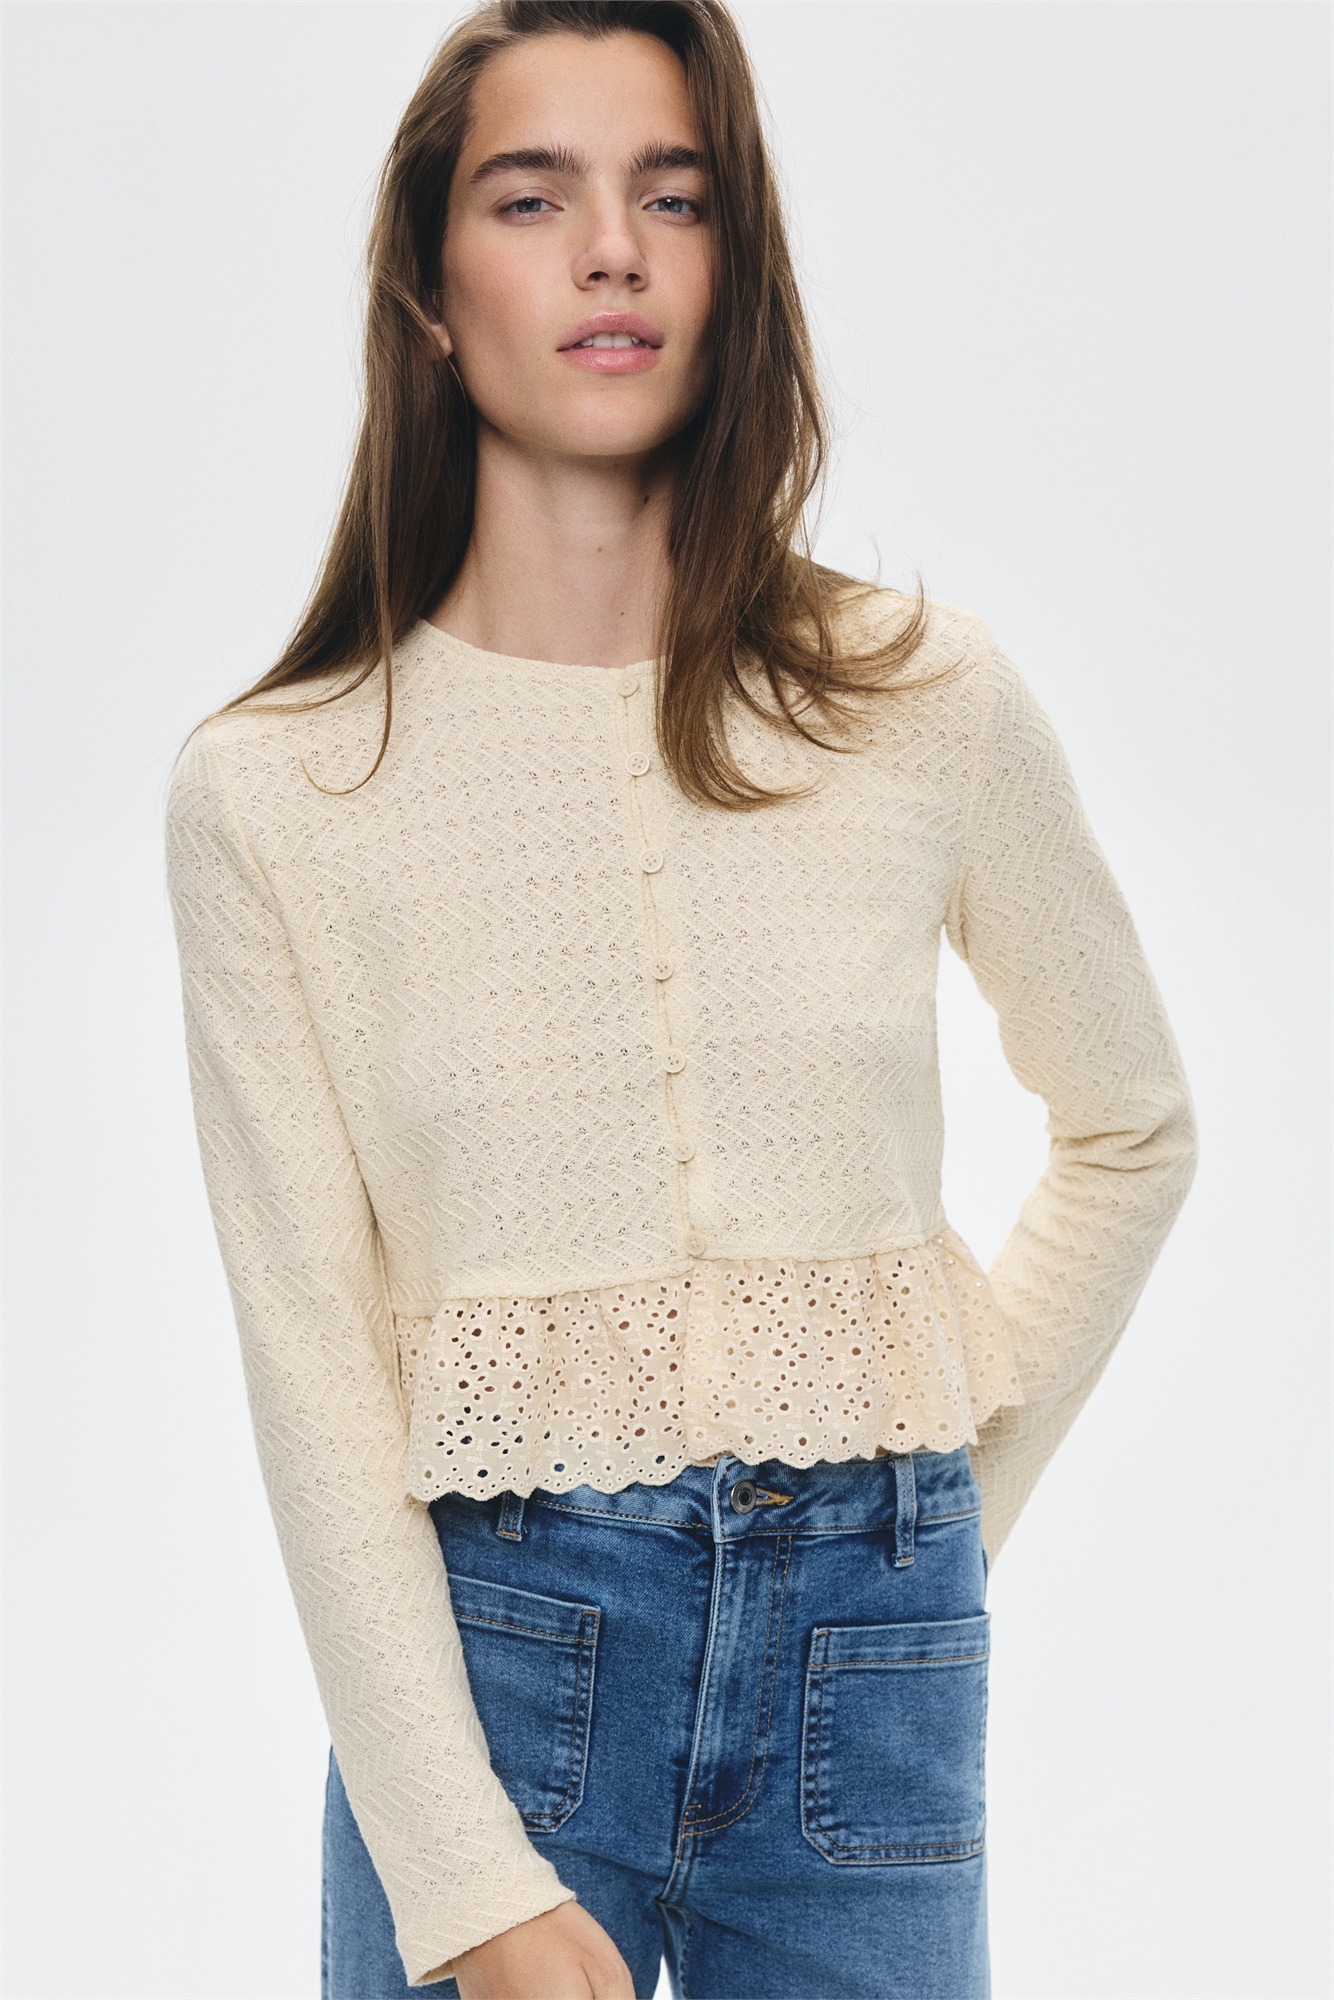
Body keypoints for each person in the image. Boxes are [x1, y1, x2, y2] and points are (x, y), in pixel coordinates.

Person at [165, 3, 1197, 1996]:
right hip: (490, 1677)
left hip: (869, 1680)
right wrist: (457, 1868)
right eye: (529, 197)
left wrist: (927, 1524)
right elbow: (311, 1360)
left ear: (737, 270)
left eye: (674, 197)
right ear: (428, 292)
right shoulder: (281, 790)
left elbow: (1131, 1125)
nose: (609, 252)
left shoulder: (921, 701)